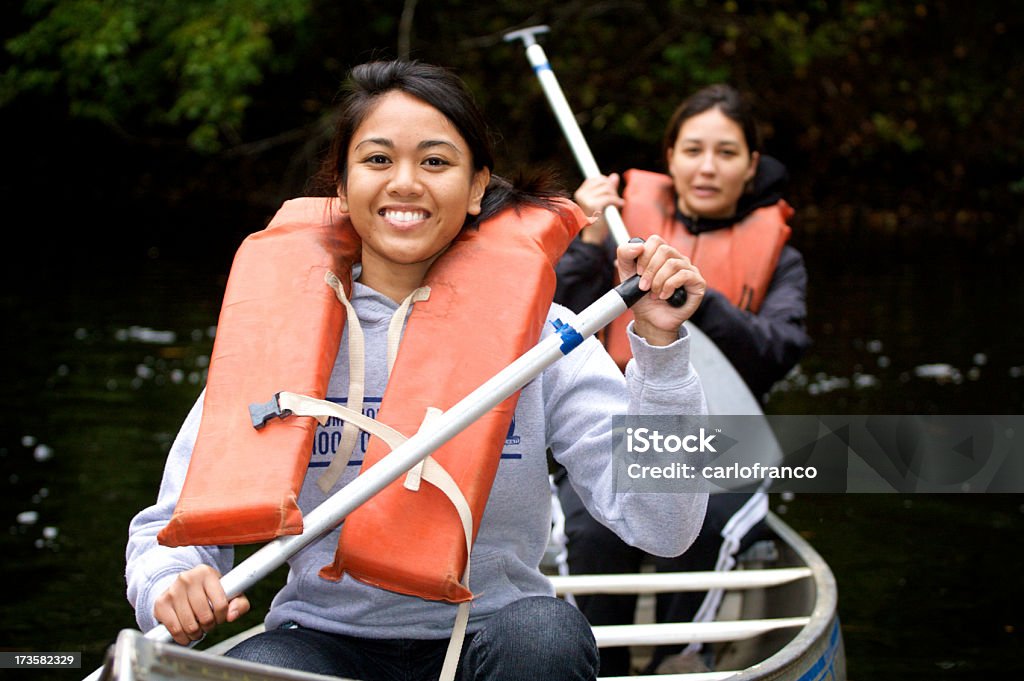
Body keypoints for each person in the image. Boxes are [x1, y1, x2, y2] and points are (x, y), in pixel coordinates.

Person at [125, 60, 709, 681]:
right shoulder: (275, 338)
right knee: (255, 670)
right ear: (342, 189)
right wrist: (168, 584)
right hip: (323, 641)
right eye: (378, 160)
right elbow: (166, 531)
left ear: (478, 186)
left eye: (435, 162)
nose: (405, 183)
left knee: (545, 636)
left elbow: (664, 526)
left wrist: (659, 347)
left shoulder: (545, 339)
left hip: (494, 634)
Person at [553, 83, 811, 675]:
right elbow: (551, 333)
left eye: (726, 153)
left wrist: (698, 298)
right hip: (624, 425)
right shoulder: (617, 231)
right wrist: (587, 242)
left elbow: (778, 352)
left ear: (751, 165)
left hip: (724, 439)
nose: (707, 167)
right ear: (669, 157)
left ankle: (679, 658)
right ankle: (601, 663)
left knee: (705, 524)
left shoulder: (783, 259)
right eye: (693, 150)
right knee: (592, 529)